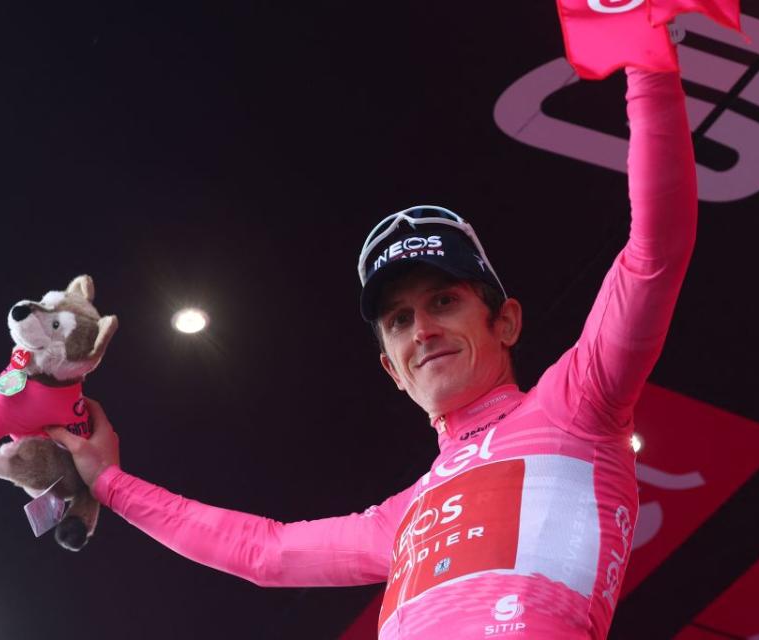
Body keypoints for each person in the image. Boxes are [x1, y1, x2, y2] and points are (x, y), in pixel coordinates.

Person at [50, 64, 697, 639]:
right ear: (391, 369)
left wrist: (647, 66)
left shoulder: (576, 404)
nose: (422, 331)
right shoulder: (404, 514)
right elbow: (263, 553)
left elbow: (653, 255)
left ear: (506, 322)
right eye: (399, 320)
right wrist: (110, 484)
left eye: (444, 302)